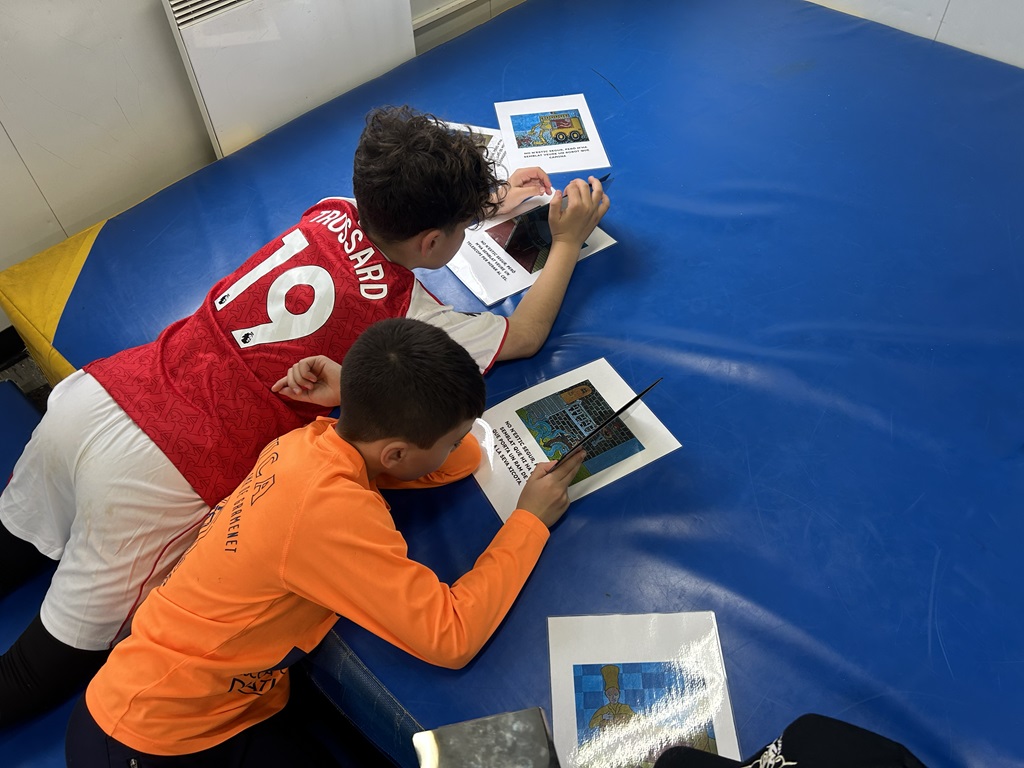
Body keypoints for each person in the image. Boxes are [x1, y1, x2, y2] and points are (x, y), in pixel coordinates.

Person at [0, 104, 610, 725]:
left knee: (10, 545)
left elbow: (405, 223)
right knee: (34, 671)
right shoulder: (409, 319)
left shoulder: (331, 210)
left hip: (104, 393)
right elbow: (524, 335)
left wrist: (489, 201)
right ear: (432, 239)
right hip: (161, 471)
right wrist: (564, 241)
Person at [64, 317, 587, 766]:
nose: (460, 446)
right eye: (450, 439)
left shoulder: (309, 442)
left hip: (206, 703)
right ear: (395, 453)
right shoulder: (330, 513)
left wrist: (359, 404)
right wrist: (529, 522)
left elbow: (461, 459)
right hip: (145, 741)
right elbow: (450, 636)